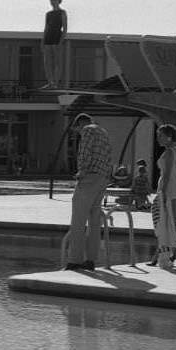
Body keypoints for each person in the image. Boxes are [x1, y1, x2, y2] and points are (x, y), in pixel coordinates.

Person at [64, 112, 111, 271]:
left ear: (80, 124)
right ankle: (91, 260)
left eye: (77, 130)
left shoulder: (88, 130)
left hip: (89, 177)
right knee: (94, 221)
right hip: (103, 178)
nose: (78, 133)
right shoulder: (103, 132)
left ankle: (74, 260)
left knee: (78, 220)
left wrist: (81, 172)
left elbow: (84, 153)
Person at [150, 123, 176, 270]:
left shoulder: (170, 151)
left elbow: (168, 174)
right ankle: (164, 255)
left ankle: (166, 255)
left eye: (160, 135)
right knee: (168, 223)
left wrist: (162, 192)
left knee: (165, 223)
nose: (158, 138)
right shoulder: (175, 150)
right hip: (170, 187)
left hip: (167, 189)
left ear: (168, 137)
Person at [41, 0, 68, 88]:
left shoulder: (62, 12)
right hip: (48, 38)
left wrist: (61, 42)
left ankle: (55, 83)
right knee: (47, 63)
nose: (52, 1)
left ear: (59, 0)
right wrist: (42, 41)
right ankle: (50, 82)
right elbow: (46, 28)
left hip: (57, 38)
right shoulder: (48, 14)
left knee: (57, 62)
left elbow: (65, 28)